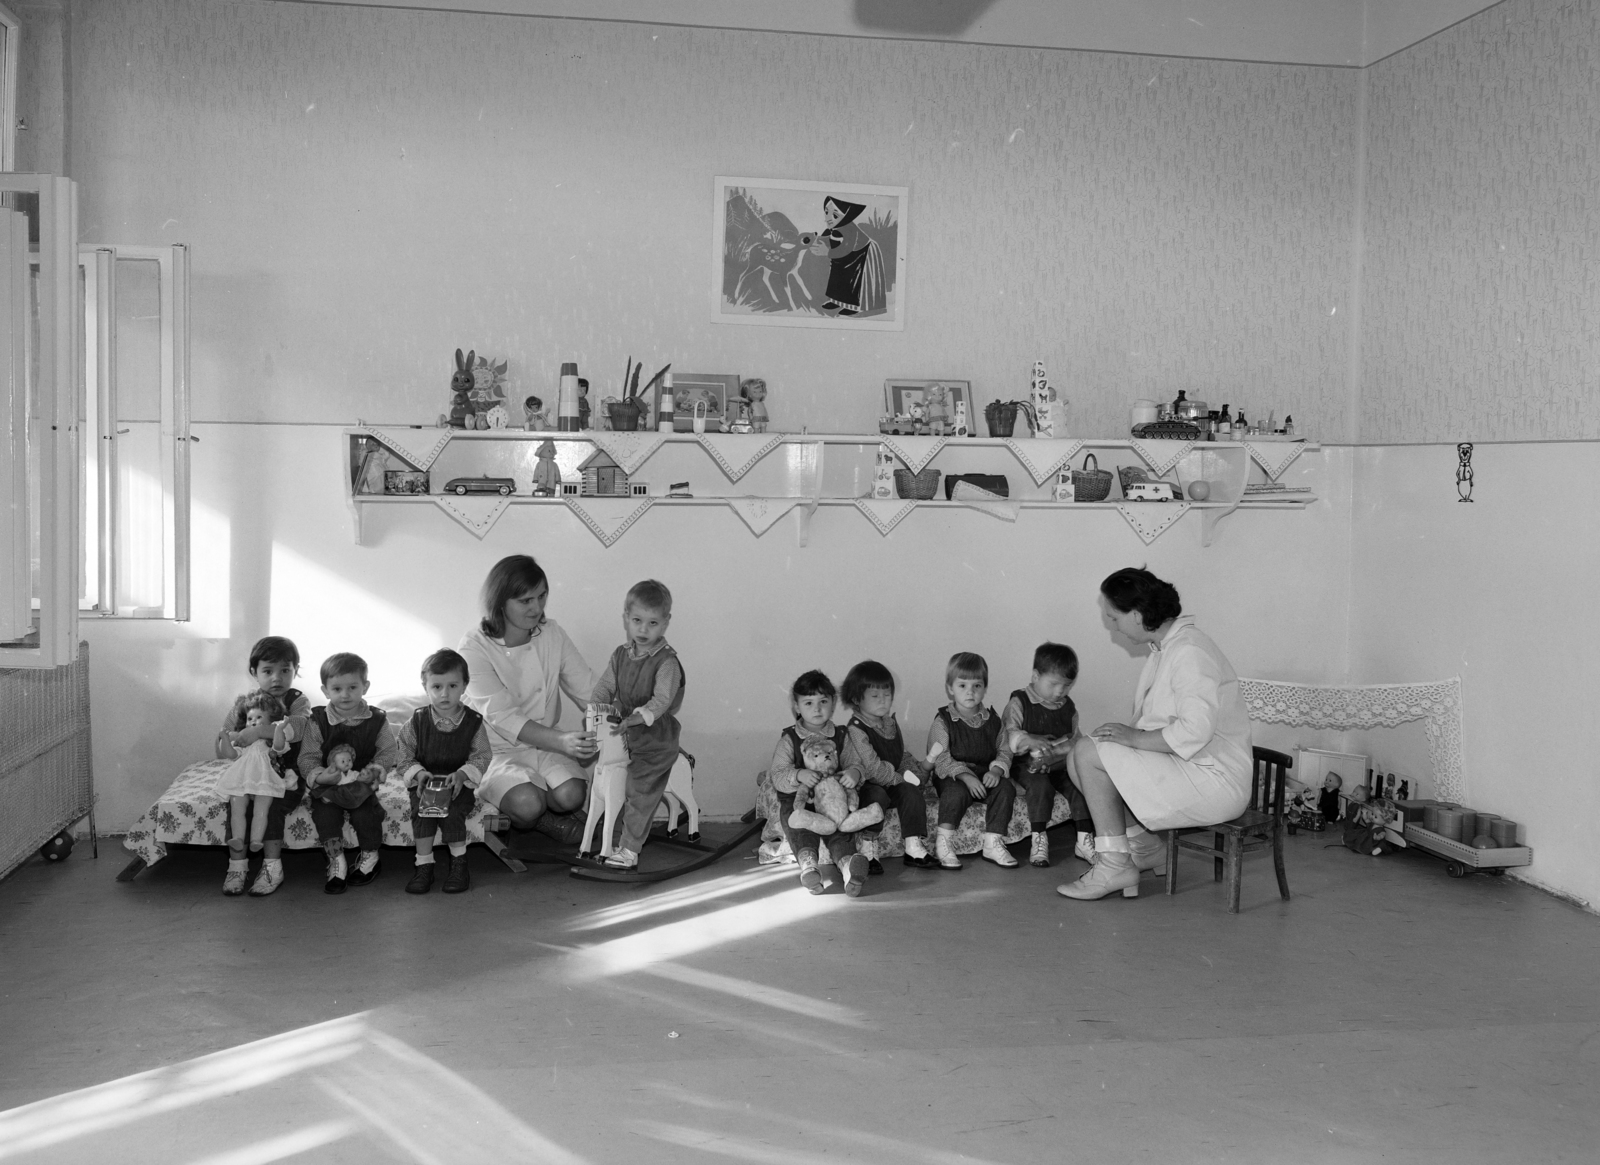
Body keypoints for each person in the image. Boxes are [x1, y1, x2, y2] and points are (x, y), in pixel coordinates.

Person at [1058, 568, 1253, 901]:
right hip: (1191, 763)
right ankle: (1147, 849)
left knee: (1090, 753)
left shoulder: (1190, 651)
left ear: (1136, 615)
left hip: (1215, 779)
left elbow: (1195, 730)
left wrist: (1132, 739)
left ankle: (1114, 864)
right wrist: (1127, 737)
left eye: (1114, 618)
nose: (1112, 625)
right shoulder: (1166, 647)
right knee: (1082, 753)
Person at [458, 555, 596, 843]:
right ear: (500, 602)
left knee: (572, 795)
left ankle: (551, 810)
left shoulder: (552, 634)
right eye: (525, 601)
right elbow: (504, 717)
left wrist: (634, 713)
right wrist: (562, 742)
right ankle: (540, 817)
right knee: (527, 804)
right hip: (493, 749)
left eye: (542, 596)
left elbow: (588, 688)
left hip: (543, 743)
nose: (537, 608)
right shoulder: (474, 647)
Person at [587, 580, 686, 871]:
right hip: (625, 731)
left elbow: (663, 699)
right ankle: (603, 841)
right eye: (637, 621)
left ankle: (629, 850)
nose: (643, 630)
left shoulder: (667, 662)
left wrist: (638, 716)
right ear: (626, 619)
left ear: (666, 623)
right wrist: (596, 709)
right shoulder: (621, 655)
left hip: (654, 737)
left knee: (639, 789)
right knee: (604, 774)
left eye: (653, 623)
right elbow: (605, 686)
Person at [214, 635, 311, 897]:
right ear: (254, 673)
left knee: (272, 806)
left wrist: (259, 733)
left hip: (284, 774)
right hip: (249, 772)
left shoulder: (298, 701)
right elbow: (227, 731)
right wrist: (230, 738)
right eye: (268, 671)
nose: (277, 678)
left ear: (295, 671)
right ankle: (237, 866)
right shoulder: (245, 704)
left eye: (285, 670)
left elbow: (299, 728)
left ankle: (272, 867)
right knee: (237, 803)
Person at [298, 652, 399, 895]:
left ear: (365, 687)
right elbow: (308, 757)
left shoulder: (377, 719)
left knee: (367, 814)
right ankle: (336, 860)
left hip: (360, 785)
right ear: (325, 690)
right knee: (325, 816)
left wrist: (375, 769)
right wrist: (319, 776)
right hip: (329, 785)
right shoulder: (318, 720)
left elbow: (388, 751)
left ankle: (370, 856)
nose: (345, 695)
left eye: (353, 687)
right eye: (337, 688)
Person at [767, 670, 869, 896]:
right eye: (809, 702)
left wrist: (854, 772)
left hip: (833, 799)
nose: (817, 708)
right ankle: (809, 865)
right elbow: (778, 774)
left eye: (823, 701)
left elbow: (857, 763)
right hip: (800, 800)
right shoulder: (789, 739)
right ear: (796, 706)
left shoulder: (842, 735)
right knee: (798, 823)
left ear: (833, 704)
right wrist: (798, 775)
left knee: (839, 827)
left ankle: (848, 867)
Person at [399, 649, 492, 895]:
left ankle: (459, 865)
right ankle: (424, 866)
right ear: (425, 686)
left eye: (452, 685)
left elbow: (482, 755)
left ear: (464, 686)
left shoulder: (473, 722)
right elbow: (404, 754)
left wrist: (463, 774)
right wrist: (418, 773)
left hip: (458, 783)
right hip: (426, 783)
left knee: (451, 814)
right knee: (423, 814)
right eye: (437, 686)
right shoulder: (417, 721)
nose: (444, 693)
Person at [839, 660, 939, 871]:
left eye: (887, 695)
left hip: (890, 779)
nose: (883, 701)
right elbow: (874, 768)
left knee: (911, 792)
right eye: (875, 696)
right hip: (866, 782)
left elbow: (899, 755)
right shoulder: (856, 729)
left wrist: (912, 774)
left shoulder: (889, 723)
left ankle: (913, 846)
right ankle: (869, 847)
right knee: (876, 796)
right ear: (857, 699)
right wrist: (899, 779)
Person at [1002, 643, 1093, 869]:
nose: (1059, 692)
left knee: (1079, 784)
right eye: (1053, 684)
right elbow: (1008, 733)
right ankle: (1039, 838)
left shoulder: (1068, 708)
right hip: (1026, 763)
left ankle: (1084, 839)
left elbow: (1075, 739)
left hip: (1058, 764)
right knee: (1040, 786)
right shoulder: (1019, 701)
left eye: (1066, 686)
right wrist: (1027, 740)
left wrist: (1061, 752)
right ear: (1035, 676)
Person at [927, 652, 1018, 871]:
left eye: (977, 686)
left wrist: (996, 771)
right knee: (955, 793)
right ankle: (944, 842)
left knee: (1005, 789)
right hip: (953, 775)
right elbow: (941, 758)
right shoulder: (944, 720)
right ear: (950, 688)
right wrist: (966, 777)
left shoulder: (993, 720)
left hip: (984, 772)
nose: (970, 692)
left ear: (984, 688)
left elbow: (1005, 750)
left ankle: (993, 841)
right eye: (962, 686)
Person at [215, 692, 291, 861]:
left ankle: (256, 839)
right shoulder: (244, 741)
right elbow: (231, 755)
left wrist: (278, 729)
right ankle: (238, 838)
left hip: (263, 781)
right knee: (236, 807)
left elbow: (279, 746)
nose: (254, 722)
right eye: (250, 719)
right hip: (242, 781)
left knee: (261, 810)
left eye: (259, 717)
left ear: (271, 720)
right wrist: (225, 739)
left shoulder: (269, 742)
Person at [811, 196, 887, 318]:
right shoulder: (834, 228)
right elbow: (829, 238)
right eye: (826, 212)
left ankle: (853, 306)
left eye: (835, 215)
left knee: (853, 281)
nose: (828, 218)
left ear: (845, 216)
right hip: (843, 258)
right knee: (837, 278)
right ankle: (836, 301)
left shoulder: (849, 229)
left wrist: (828, 252)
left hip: (860, 255)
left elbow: (846, 248)